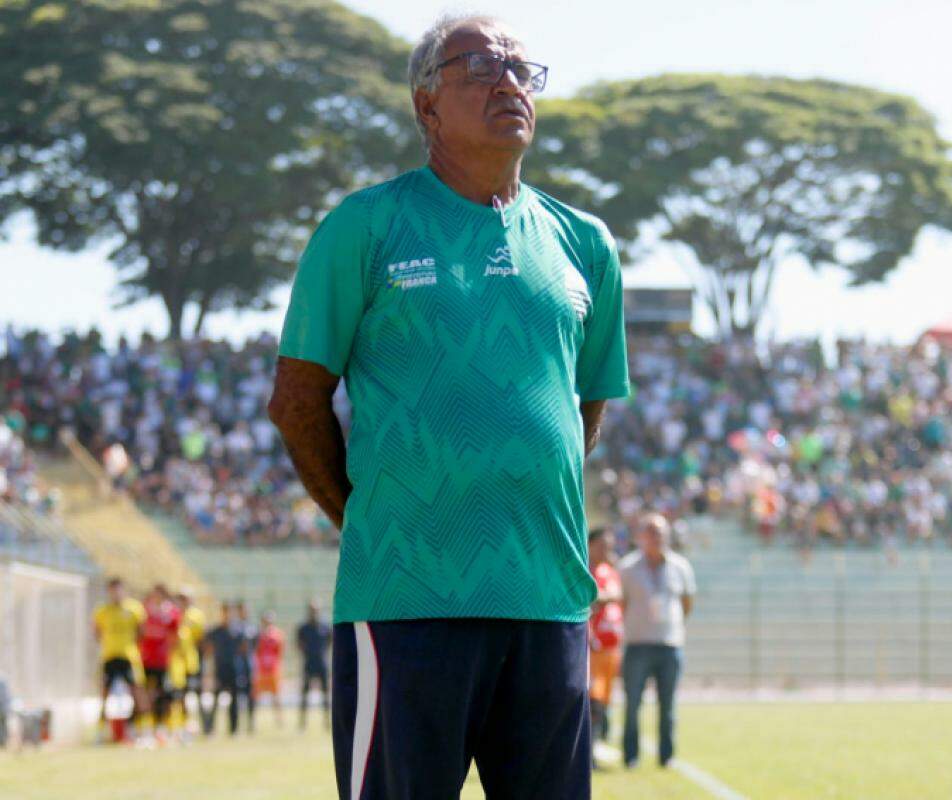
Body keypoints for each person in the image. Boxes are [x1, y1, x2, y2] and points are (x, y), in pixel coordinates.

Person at [268, 13, 629, 799]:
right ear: (426, 105)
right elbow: (297, 401)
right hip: (406, 601)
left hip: (550, 602)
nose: (509, 84)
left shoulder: (586, 243)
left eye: (523, 71)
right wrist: (369, 518)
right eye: (481, 68)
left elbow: (581, 416)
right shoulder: (364, 226)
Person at [619, 513, 696, 769]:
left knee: (668, 705)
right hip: (638, 643)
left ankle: (667, 755)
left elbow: (687, 603)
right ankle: (631, 756)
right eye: (650, 531)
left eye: (660, 532)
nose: (656, 537)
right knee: (632, 705)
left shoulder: (681, 567)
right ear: (640, 536)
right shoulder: (628, 567)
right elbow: (622, 603)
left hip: (669, 644)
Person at [92, 577, 145, 740]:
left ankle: (136, 728)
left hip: (128, 656)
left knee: (137, 693)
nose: (116, 593)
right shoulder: (102, 611)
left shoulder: (134, 609)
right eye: (112, 590)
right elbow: (97, 632)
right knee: (104, 694)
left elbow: (141, 632)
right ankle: (101, 731)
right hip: (109, 656)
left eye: (118, 589)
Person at [587, 526, 623, 761]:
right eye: (602, 545)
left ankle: (594, 749)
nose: (606, 550)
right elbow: (592, 598)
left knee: (603, 703)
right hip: (593, 648)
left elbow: (616, 597)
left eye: (609, 545)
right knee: (593, 703)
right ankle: (588, 754)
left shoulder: (610, 571)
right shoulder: (585, 570)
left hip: (611, 649)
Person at [138, 584, 180, 743]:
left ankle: (161, 727)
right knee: (144, 695)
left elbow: (174, 635)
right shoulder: (144, 610)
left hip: (163, 661)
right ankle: (143, 728)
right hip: (145, 659)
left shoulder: (171, 612)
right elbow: (139, 631)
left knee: (163, 695)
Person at [202, 603, 248, 736]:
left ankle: (233, 729)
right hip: (220, 670)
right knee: (215, 700)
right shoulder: (216, 631)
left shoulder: (238, 632)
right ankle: (210, 729)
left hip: (234, 670)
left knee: (234, 701)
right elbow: (207, 648)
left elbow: (243, 648)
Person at [173, 588, 206, 733]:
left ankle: (200, 724)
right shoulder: (173, 614)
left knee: (195, 693)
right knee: (179, 694)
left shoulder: (196, 616)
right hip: (175, 662)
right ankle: (181, 723)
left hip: (191, 661)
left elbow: (200, 639)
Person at [296, 601, 332, 731]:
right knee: (304, 694)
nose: (313, 612)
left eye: (315, 609)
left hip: (322, 663)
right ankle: (302, 723)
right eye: (311, 609)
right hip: (309, 663)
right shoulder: (303, 628)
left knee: (325, 694)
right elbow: (299, 644)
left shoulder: (325, 627)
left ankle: (327, 722)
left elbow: (329, 642)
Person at [253, 611, 285, 729]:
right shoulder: (258, 635)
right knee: (256, 696)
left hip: (272, 670)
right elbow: (256, 650)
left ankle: (279, 720)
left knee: (276, 696)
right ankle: (253, 721)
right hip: (261, 670)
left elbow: (280, 651)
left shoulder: (277, 635)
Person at [233, 600, 258, 734]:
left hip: (249, 665)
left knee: (250, 695)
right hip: (238, 666)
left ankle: (251, 723)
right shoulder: (234, 628)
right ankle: (236, 725)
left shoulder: (252, 627)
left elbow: (255, 645)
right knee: (237, 695)